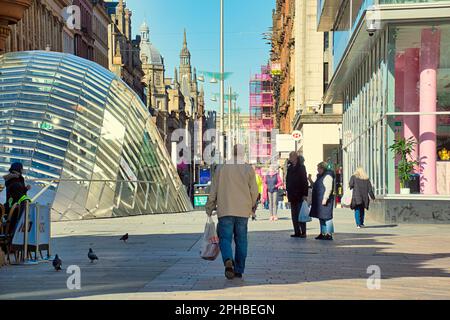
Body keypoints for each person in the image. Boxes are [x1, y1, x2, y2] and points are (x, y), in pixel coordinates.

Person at [205, 145, 259, 280]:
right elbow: (254, 191)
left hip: (225, 209)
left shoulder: (221, 168)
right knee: (241, 240)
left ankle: (228, 259)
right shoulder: (248, 168)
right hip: (243, 211)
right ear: (243, 154)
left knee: (225, 239)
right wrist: (252, 206)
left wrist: (210, 206)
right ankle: (239, 269)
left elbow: (214, 190)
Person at [3, 162, 32, 236]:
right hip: (15, 206)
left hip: (14, 205)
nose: (22, 170)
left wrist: (25, 189)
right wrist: (27, 200)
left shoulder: (17, 178)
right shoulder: (14, 179)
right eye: (21, 168)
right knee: (14, 224)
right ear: (19, 169)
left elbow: (18, 191)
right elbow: (18, 194)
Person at [309, 161, 335, 240]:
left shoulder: (327, 176)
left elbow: (329, 188)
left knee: (327, 217)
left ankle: (329, 233)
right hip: (319, 199)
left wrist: (325, 198)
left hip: (325, 200)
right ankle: (323, 233)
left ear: (322, 168)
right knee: (321, 217)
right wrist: (310, 180)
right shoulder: (320, 176)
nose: (317, 170)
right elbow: (315, 186)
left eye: (318, 168)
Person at [285, 152, 309, 238]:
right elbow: (287, 180)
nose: (289, 158)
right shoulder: (290, 168)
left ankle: (303, 232)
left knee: (301, 214)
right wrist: (287, 191)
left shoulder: (301, 167)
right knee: (294, 215)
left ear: (295, 157)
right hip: (292, 195)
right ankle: (296, 231)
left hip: (299, 194)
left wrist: (305, 194)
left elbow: (304, 181)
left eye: (290, 156)